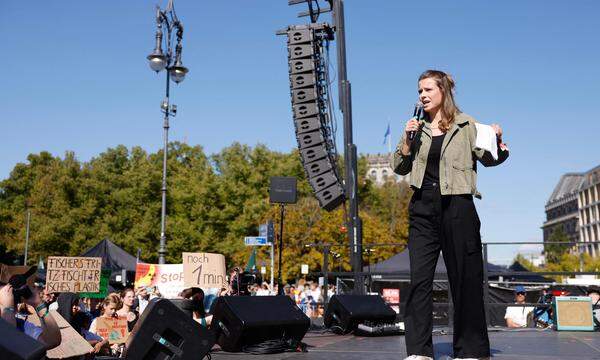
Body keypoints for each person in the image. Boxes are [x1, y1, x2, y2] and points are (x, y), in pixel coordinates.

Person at [395, 70, 509, 360]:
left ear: (443, 91)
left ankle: (469, 349)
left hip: (457, 205)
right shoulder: (415, 128)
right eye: (419, 90)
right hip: (422, 207)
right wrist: (408, 140)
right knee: (419, 280)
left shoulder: (467, 124)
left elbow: (491, 159)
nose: (422, 95)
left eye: (428, 89)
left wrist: (497, 139)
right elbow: (399, 165)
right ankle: (419, 351)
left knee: (465, 278)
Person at [0, 282, 62, 348]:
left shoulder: (20, 325)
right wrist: (8, 308)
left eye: (12, 300)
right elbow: (7, 339)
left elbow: (52, 341)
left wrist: (39, 305)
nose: (12, 303)